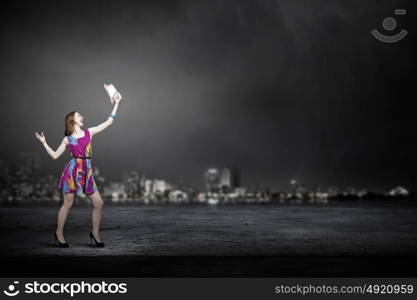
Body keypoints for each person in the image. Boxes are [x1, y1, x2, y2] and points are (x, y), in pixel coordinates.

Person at [35, 89, 122, 248]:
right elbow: (55, 155)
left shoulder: (90, 132)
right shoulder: (67, 139)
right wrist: (43, 142)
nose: (82, 117)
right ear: (72, 120)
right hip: (72, 171)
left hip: (86, 171)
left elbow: (109, 122)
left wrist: (116, 103)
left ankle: (95, 233)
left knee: (98, 203)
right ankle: (59, 233)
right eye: (79, 115)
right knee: (68, 203)